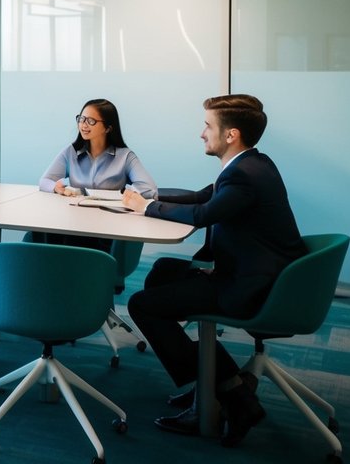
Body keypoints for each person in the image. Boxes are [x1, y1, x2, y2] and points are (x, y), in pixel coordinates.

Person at [123, 94, 304, 447]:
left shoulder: (243, 176)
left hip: (252, 286)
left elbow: (203, 215)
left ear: (231, 134)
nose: (202, 133)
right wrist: (140, 197)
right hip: (254, 271)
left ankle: (229, 394)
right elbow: (200, 197)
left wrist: (148, 208)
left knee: (142, 305)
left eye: (208, 126)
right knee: (163, 271)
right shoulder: (251, 164)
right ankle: (213, 383)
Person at [35, 98, 157, 251]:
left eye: (91, 121)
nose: (84, 125)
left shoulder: (125, 156)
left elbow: (150, 189)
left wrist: (124, 195)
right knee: (44, 233)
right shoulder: (71, 152)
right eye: (81, 119)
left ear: (108, 128)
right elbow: (44, 180)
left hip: (108, 229)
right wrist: (56, 188)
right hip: (74, 224)